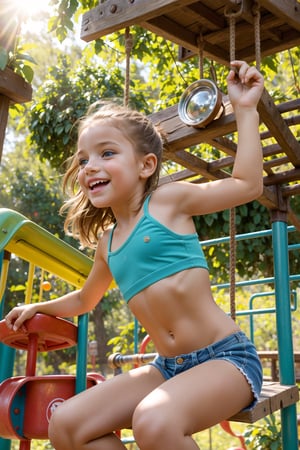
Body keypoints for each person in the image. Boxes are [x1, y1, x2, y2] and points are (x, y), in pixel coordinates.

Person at [5, 60, 264, 450]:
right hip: (167, 368)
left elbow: (247, 184)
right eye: (83, 160)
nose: (90, 166)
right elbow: (85, 299)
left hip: (226, 360)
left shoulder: (167, 203)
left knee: (152, 421)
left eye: (107, 153)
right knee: (67, 424)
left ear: (146, 165)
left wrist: (245, 110)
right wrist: (39, 306)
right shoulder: (108, 244)